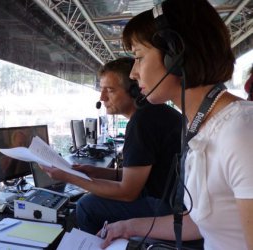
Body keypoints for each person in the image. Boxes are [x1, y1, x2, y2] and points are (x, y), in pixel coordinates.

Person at [101, 0, 253, 249]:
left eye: (138, 57)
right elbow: (208, 220)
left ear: (176, 56)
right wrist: (127, 226)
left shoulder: (242, 133)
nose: (133, 73)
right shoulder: (202, 126)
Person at [41, 57, 182, 234]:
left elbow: (128, 192)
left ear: (134, 91)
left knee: (87, 205)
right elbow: (141, 176)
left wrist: (70, 177)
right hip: (173, 200)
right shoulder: (155, 113)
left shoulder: (142, 122)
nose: (102, 98)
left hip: (167, 208)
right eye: (101, 90)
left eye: (110, 90)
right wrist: (95, 172)